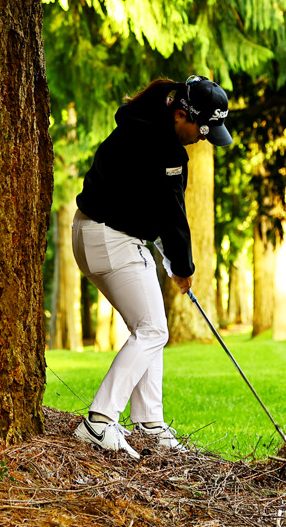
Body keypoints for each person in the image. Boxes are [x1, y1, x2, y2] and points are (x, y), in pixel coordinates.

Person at [71, 75, 233, 459]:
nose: (203, 139)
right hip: (110, 240)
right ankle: (98, 422)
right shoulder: (165, 149)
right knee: (153, 330)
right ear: (181, 115)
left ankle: (148, 422)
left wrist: (169, 255)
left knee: (150, 325)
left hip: (91, 232)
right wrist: (183, 266)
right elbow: (174, 216)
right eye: (203, 131)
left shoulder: (141, 124)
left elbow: (149, 206)